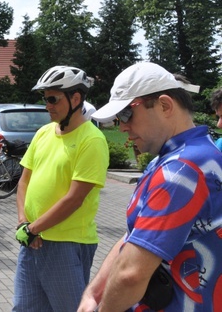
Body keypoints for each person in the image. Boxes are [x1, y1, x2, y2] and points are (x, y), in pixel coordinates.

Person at [77, 62, 222, 312]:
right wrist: (95, 291)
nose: (122, 126)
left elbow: (130, 275)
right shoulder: (184, 157)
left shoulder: (180, 170)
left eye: (126, 114)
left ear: (165, 105)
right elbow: (137, 234)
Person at [12, 65, 109, 312]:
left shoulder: (92, 140)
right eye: (45, 99)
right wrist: (25, 224)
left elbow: (74, 199)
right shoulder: (43, 132)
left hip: (66, 243)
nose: (48, 105)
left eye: (53, 99)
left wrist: (34, 228)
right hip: (32, 239)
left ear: (76, 98)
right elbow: (23, 181)